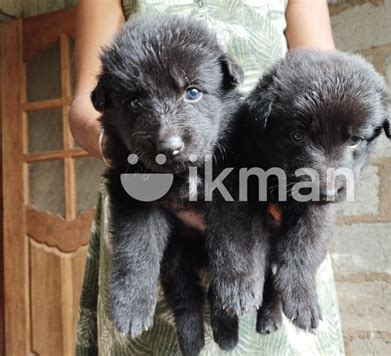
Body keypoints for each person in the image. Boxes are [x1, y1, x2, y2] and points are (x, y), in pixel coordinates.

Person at [72, 0, 344, 354]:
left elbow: (322, 82)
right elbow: (87, 103)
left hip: (261, 176)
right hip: (145, 196)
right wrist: (133, 159)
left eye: (192, 92)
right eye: (138, 101)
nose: (169, 131)